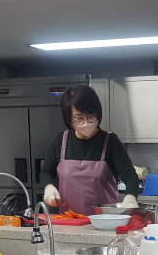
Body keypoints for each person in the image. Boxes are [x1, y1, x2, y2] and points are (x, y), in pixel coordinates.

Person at [40, 85, 140, 215]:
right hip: (69, 220)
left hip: (105, 220)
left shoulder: (110, 142)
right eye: (79, 118)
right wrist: (49, 187)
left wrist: (130, 197)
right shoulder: (60, 141)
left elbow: (130, 175)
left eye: (91, 116)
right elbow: (46, 172)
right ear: (69, 118)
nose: (86, 123)